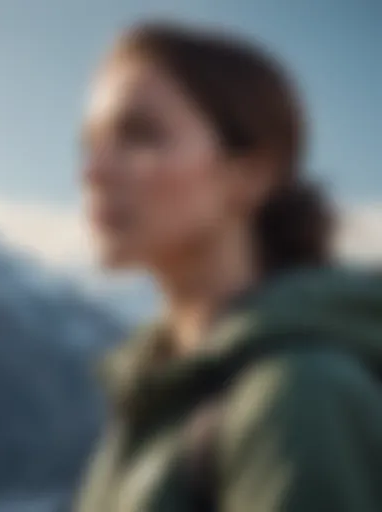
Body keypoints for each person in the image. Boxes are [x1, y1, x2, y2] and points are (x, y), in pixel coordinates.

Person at [76, 21, 382, 512]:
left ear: (250, 175)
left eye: (140, 136)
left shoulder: (300, 395)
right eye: (92, 142)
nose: (93, 171)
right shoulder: (156, 386)